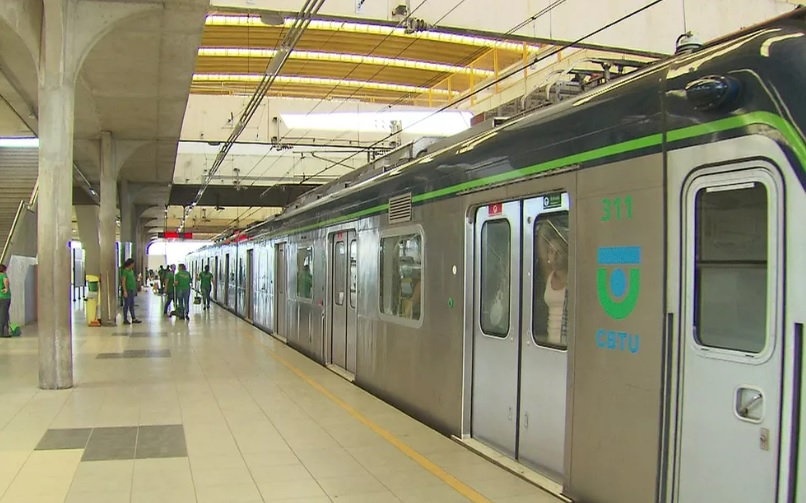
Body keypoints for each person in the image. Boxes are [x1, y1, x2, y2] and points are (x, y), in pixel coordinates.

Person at [534, 220, 569, 346]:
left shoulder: (573, 278)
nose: (553, 257)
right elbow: (542, 237)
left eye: (558, 252)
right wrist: (548, 221)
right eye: (550, 251)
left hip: (567, 343)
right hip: (550, 344)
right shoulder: (549, 276)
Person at [120, 258, 141, 324]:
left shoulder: (131, 271)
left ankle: (133, 318)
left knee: (132, 304)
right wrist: (125, 291)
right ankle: (125, 319)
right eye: (132, 264)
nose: (133, 265)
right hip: (127, 290)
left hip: (131, 290)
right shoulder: (125, 271)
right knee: (126, 304)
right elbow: (123, 281)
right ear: (130, 264)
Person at [0, 264, 11, 337]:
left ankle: (5, 332)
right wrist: (6, 288)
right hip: (4, 297)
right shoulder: (3, 275)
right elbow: (5, 280)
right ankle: (2, 332)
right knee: (3, 315)